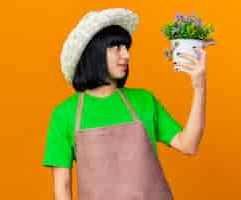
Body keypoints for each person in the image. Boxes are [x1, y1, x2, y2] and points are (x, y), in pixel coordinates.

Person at [42, 7, 208, 200]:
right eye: (117, 48)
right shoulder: (64, 114)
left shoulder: (144, 101)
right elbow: (62, 187)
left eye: (126, 48)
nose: (126, 55)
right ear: (94, 52)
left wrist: (200, 87)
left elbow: (188, 145)